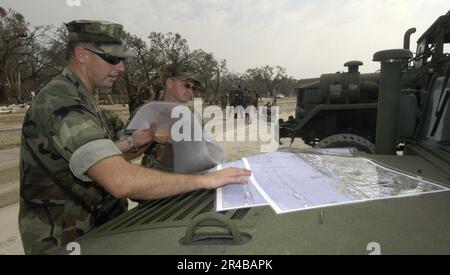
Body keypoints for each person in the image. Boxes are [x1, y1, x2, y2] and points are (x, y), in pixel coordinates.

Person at [18, 20, 250, 255]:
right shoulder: (61, 101)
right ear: (81, 54)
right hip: (64, 238)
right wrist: (204, 181)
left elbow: (106, 154)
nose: (121, 68)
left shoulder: (85, 99)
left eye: (123, 60)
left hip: (100, 229)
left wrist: (142, 140)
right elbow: (120, 180)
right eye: (112, 59)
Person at [140, 70, 201, 172]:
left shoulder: (193, 114)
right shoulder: (148, 111)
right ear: (170, 83)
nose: (190, 91)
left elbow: (200, 150)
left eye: (193, 88)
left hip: (188, 178)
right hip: (154, 178)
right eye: (186, 85)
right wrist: (151, 137)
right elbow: (124, 153)